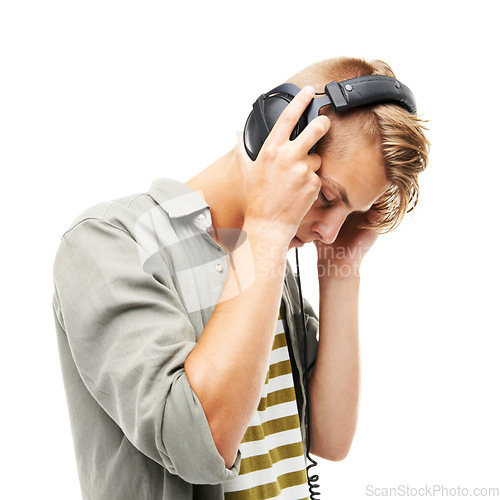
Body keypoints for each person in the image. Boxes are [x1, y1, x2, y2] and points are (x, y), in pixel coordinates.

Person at [52, 56, 429, 500]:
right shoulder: (111, 243)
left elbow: (330, 438)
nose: (329, 230)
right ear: (274, 135)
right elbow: (199, 444)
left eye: (350, 212)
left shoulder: (267, 262)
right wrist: (268, 230)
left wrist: (342, 269)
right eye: (328, 197)